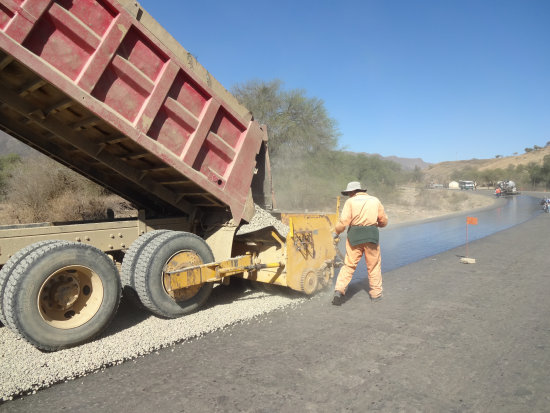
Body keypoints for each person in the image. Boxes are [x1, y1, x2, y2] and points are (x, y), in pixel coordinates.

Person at [332, 181, 388, 305]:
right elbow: (383, 221)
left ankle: (339, 290)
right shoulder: (375, 201)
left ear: (352, 192)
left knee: (349, 265)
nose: (348, 196)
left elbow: (344, 221)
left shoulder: (350, 202)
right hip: (371, 237)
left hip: (354, 237)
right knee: (373, 266)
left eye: (348, 193)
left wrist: (336, 232)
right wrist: (376, 224)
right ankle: (376, 294)